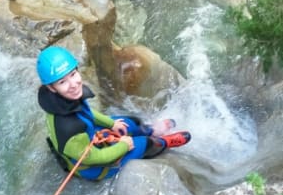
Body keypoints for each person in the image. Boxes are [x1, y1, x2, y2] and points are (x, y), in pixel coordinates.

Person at [37, 46, 191, 181]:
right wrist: (123, 146)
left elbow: (87, 114)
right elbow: (93, 158)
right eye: (62, 82)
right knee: (145, 144)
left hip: (90, 137)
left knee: (130, 123)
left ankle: (152, 130)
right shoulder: (68, 129)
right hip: (92, 167)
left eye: (73, 74)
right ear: (51, 88)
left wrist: (112, 124)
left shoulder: (63, 100)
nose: (73, 84)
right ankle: (164, 142)